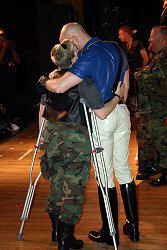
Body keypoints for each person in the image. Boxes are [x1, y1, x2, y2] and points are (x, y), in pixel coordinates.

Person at [39, 22, 139, 247]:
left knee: (104, 176)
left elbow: (60, 87)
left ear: (73, 41)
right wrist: (118, 97)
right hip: (122, 112)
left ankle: (109, 232)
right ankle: (133, 227)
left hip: (103, 113)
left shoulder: (86, 57)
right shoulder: (115, 47)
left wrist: (44, 80)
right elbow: (126, 83)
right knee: (123, 169)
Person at [134, 26, 167, 186]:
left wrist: (139, 75)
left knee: (162, 140)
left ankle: (166, 172)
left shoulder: (165, 58)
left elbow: (157, 82)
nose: (149, 40)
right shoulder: (160, 56)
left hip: (161, 109)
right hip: (152, 108)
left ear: (163, 39)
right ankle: (153, 167)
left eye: (152, 37)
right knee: (150, 139)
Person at [118, 25, 149, 125]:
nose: (119, 37)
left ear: (126, 33)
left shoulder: (137, 43)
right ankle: (130, 120)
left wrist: (142, 71)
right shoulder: (124, 46)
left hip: (138, 75)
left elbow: (146, 58)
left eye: (120, 34)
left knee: (138, 95)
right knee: (130, 96)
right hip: (129, 75)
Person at [0, 27, 20, 131]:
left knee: (10, 98)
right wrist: (3, 48)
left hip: (10, 77)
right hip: (1, 76)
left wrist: (11, 48)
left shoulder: (10, 47)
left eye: (4, 39)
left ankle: (10, 121)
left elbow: (18, 60)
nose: (3, 41)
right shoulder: (2, 49)